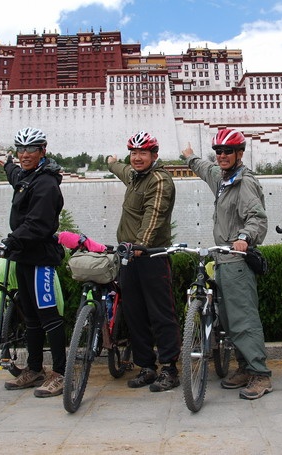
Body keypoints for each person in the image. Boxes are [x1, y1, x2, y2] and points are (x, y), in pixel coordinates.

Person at [181, 128, 272, 400]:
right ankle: (245, 368)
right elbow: (205, 168)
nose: (221, 156)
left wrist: (244, 237)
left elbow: (257, 217)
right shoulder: (222, 179)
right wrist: (190, 157)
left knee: (243, 318)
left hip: (237, 259)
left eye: (227, 151)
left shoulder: (244, 183)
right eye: (218, 151)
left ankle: (260, 375)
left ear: (239, 154)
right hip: (222, 259)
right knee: (230, 321)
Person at [0, 127, 67, 398]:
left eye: (31, 150)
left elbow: (38, 224)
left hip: (40, 259)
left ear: (42, 151)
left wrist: (10, 241)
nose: (25, 155)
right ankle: (34, 369)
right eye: (20, 150)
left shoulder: (46, 184)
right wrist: (7, 166)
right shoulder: (26, 175)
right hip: (22, 257)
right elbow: (16, 178)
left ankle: (59, 373)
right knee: (31, 317)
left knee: (49, 317)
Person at [107, 131, 182, 392]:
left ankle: (169, 368)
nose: (137, 158)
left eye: (143, 153)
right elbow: (122, 170)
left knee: (160, 314)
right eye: (134, 153)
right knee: (134, 313)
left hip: (152, 256)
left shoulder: (159, 180)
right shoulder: (135, 176)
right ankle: (146, 367)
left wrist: (141, 244)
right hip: (129, 257)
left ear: (154, 156)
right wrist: (110, 161)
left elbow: (155, 215)